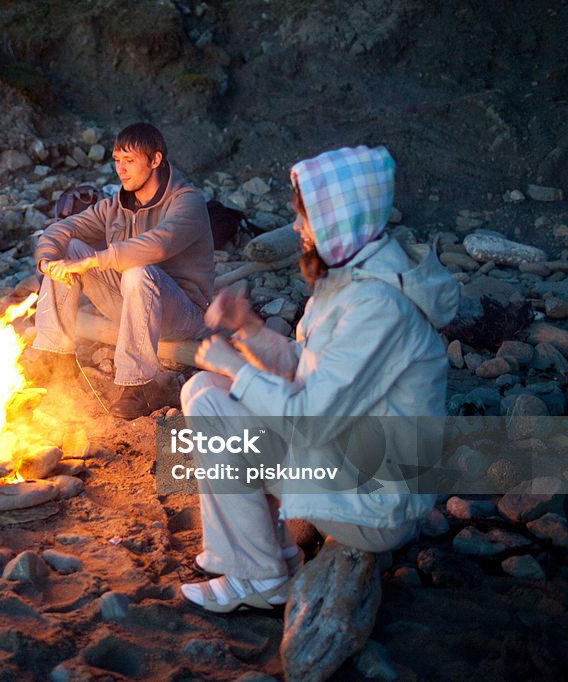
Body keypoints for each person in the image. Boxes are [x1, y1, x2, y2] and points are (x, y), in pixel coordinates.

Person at [178, 146, 458, 612]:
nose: (296, 228)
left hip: (376, 499)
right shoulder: (352, 278)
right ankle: (275, 552)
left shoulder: (378, 305)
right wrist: (249, 330)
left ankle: (258, 577)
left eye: (305, 218)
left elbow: (310, 419)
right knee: (205, 389)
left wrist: (238, 367)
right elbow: (306, 370)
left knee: (213, 404)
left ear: (337, 220)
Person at [29, 123, 215, 419]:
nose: (120, 170)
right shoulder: (117, 204)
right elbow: (64, 228)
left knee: (137, 271)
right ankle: (56, 357)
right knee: (70, 249)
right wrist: (47, 261)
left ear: (155, 160)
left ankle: (138, 385)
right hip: (132, 307)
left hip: (184, 315)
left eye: (129, 161)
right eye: (117, 161)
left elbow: (158, 245)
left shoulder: (187, 201)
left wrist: (94, 261)